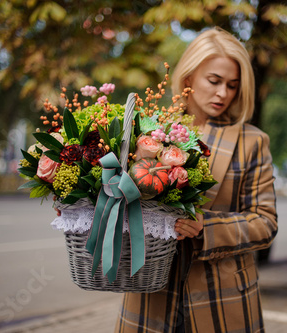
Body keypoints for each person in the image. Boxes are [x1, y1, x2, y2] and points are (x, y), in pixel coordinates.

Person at [115, 27, 278, 333]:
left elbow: (265, 222)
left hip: (223, 300)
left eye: (232, 85)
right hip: (151, 295)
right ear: (188, 77)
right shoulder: (149, 132)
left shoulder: (251, 141)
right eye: (214, 81)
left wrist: (207, 227)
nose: (223, 94)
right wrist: (84, 209)